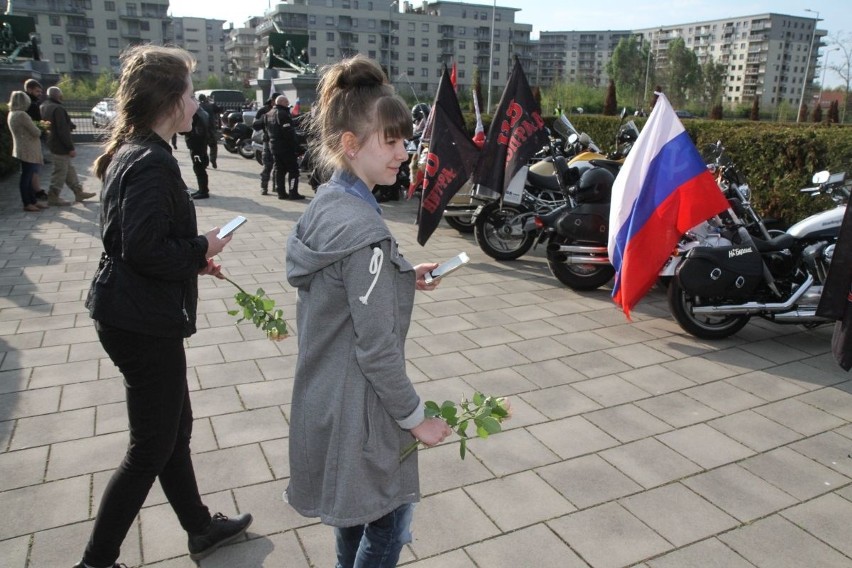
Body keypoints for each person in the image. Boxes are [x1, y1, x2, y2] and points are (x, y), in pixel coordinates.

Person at [78, 45, 252, 568]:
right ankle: (96, 562)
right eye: (191, 94)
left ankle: (199, 527)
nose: (197, 105)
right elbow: (143, 248)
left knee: (173, 431)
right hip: (141, 322)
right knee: (149, 449)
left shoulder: (137, 150)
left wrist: (191, 261)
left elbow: (140, 243)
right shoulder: (150, 159)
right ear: (172, 101)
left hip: (135, 310)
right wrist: (201, 249)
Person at [285, 54, 452, 568]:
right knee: (389, 520)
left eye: (405, 139)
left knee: (353, 515)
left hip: (325, 395)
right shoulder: (366, 233)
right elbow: (377, 350)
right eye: (392, 140)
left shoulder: (328, 203)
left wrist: (402, 274)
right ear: (350, 145)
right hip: (361, 408)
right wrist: (416, 418)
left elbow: (346, 288)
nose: (405, 152)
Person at [39, 86, 96, 205]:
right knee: (60, 171)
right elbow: (62, 130)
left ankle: (78, 192)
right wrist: (70, 147)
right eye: (61, 95)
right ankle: (53, 196)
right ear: (58, 95)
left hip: (52, 142)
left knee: (69, 169)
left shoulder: (44, 106)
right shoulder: (57, 108)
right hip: (60, 145)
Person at [7, 91, 46, 212]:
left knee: (27, 176)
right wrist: (42, 128)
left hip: (20, 148)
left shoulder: (12, 113)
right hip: (28, 148)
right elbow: (36, 131)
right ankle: (27, 203)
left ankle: (33, 201)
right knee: (27, 177)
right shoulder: (22, 115)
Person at [263, 95, 304, 200]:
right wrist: (297, 147)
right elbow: (288, 133)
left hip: (274, 146)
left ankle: (281, 193)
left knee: (279, 170)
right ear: (281, 102)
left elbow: (266, 131)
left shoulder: (268, 114)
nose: (288, 105)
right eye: (286, 103)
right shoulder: (283, 114)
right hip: (286, 147)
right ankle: (293, 192)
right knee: (293, 171)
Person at [24, 78, 48, 201]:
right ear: (29, 90)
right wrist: (42, 127)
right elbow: (34, 125)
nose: (39, 94)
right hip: (31, 142)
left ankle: (35, 192)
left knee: (34, 168)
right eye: (37, 91)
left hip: (32, 141)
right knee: (32, 169)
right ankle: (34, 194)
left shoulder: (31, 104)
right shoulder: (29, 105)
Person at [183, 105, 211, 199]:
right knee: (200, 167)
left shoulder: (195, 115)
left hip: (196, 145)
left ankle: (203, 191)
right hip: (201, 144)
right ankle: (202, 189)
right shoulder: (202, 113)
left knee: (199, 167)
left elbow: (186, 130)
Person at [253, 92, 279, 195]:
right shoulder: (263, 111)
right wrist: (265, 118)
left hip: (279, 142)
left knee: (278, 165)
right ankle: (264, 187)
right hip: (267, 141)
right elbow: (255, 125)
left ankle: (276, 186)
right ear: (272, 101)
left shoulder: (281, 110)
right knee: (267, 165)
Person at [197, 93, 222, 168]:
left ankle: (205, 162)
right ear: (205, 98)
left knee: (203, 147)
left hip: (201, 130)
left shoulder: (197, 107)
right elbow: (220, 109)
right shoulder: (211, 105)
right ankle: (213, 159)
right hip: (211, 129)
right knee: (213, 146)